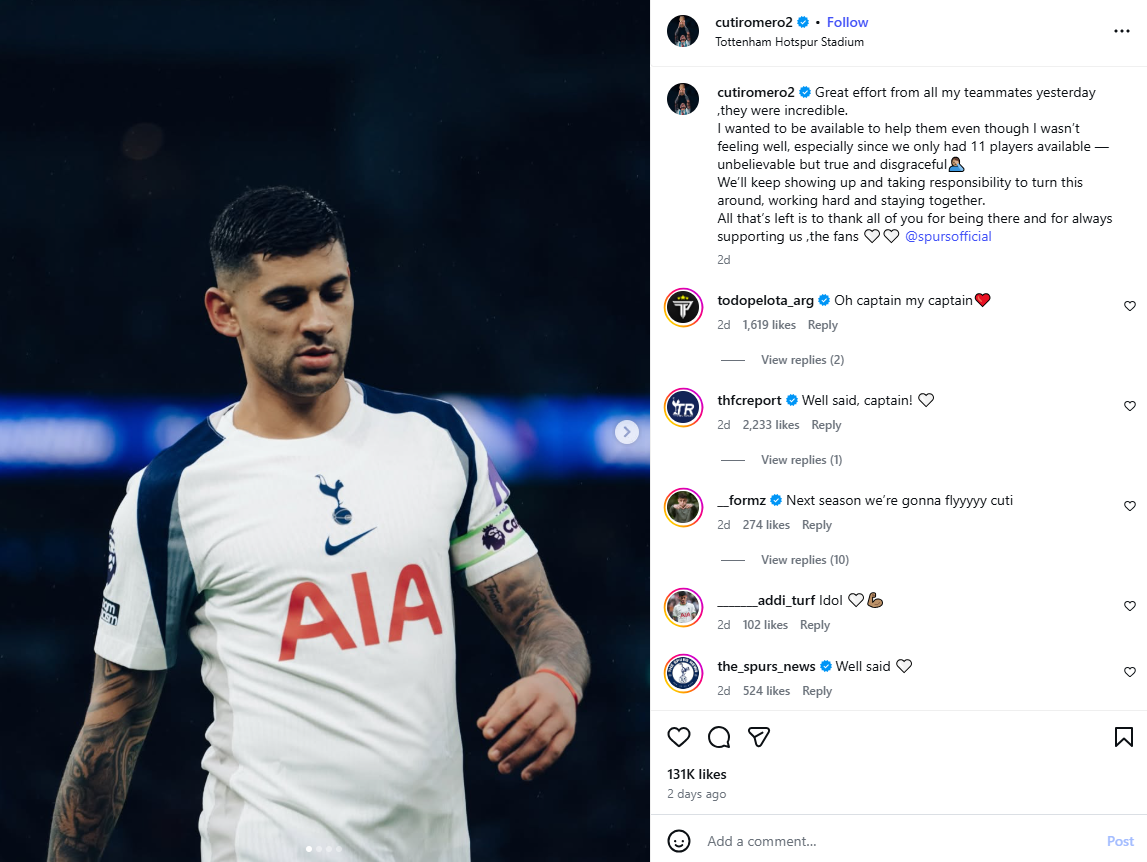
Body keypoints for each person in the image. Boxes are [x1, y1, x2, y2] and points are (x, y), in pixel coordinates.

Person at [47, 186, 591, 862]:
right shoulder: (171, 494)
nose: (318, 320)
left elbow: (539, 617)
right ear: (224, 312)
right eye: (286, 300)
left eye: (334, 292)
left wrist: (554, 680)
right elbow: (111, 729)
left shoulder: (440, 437)